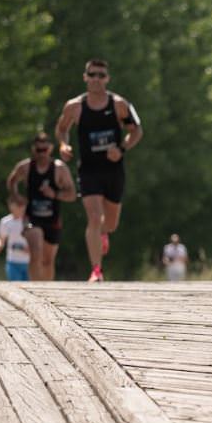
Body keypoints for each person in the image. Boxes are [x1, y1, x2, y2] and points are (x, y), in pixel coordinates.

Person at [56, 58, 144, 282]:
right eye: (92, 74)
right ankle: (96, 270)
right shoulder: (74, 106)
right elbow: (62, 129)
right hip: (88, 170)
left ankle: (104, 234)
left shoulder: (119, 104)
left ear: (107, 78)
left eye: (101, 75)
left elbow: (136, 131)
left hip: (113, 170)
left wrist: (122, 148)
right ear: (85, 77)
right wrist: (63, 145)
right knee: (94, 217)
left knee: (110, 223)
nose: (96, 79)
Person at [5, 132, 77, 280]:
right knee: (36, 254)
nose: (42, 153)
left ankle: (47, 290)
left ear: (51, 149)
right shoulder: (26, 167)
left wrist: (55, 194)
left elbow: (72, 195)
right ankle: (35, 289)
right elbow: (12, 180)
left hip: (52, 220)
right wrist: (16, 196)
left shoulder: (59, 168)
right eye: (38, 150)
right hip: (32, 218)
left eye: (45, 150)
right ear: (33, 149)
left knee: (47, 260)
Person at [0, 197, 32, 281]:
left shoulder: (30, 221)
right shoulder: (5, 222)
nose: (20, 208)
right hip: (13, 261)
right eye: (17, 205)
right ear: (10, 206)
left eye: (22, 205)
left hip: (29, 263)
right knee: (16, 287)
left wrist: (32, 249)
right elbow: (1, 238)